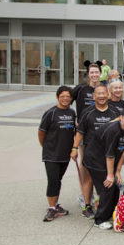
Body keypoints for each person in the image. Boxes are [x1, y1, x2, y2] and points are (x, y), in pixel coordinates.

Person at [83, 107, 124, 229]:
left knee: (115, 187)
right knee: (107, 186)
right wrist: (110, 174)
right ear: (121, 117)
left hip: (108, 160)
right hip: (95, 160)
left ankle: (109, 214)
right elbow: (110, 155)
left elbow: (123, 151)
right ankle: (99, 220)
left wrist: (117, 171)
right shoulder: (113, 130)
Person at [71, 84, 120, 219]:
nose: (102, 96)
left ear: (108, 95)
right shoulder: (87, 112)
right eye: (98, 94)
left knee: (108, 180)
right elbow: (80, 132)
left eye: (104, 93)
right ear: (94, 96)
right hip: (91, 152)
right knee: (89, 178)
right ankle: (87, 206)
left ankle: (104, 205)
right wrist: (74, 148)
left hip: (109, 152)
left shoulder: (115, 112)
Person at [39, 86, 76, 222]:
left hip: (64, 154)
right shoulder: (51, 113)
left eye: (68, 96)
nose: (65, 99)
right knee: (53, 180)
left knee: (58, 180)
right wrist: (47, 147)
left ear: (71, 99)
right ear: (57, 97)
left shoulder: (72, 113)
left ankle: (55, 205)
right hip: (51, 154)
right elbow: (41, 132)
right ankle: (51, 208)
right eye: (62, 96)